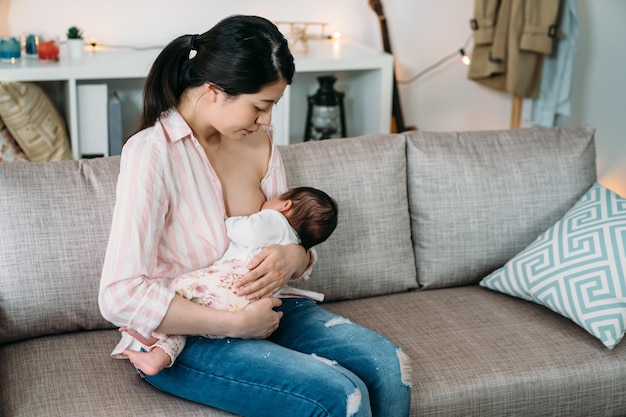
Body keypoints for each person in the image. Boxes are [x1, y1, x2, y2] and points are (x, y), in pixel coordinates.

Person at [98, 14, 411, 417]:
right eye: (260, 107)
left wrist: (297, 257)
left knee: (390, 366)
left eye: (272, 107)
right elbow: (118, 294)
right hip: (184, 332)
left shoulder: (257, 141)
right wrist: (233, 325)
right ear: (214, 90)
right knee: (339, 395)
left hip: (268, 307)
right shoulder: (151, 153)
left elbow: (286, 228)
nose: (267, 121)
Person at [120, 186, 338, 376]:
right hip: (249, 306)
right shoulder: (294, 242)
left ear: (285, 204)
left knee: (174, 294)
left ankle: (151, 332)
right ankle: (160, 355)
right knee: (187, 327)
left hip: (229, 284)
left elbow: (249, 232)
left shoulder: (276, 220)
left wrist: (229, 222)